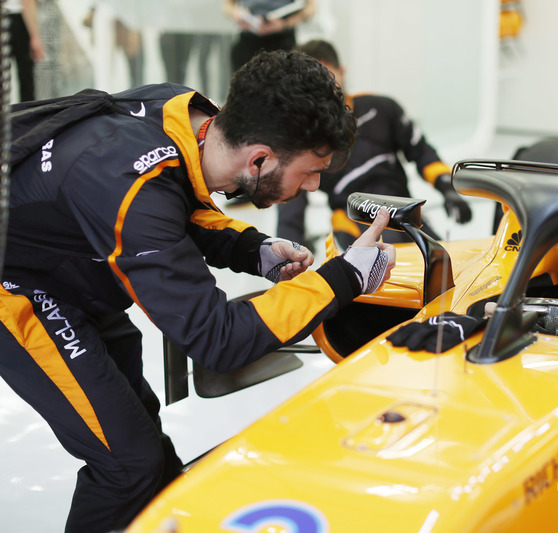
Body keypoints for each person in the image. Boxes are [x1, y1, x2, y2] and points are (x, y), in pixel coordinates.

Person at [0, 49, 395, 533]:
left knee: (144, 438)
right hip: (18, 288)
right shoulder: (129, 185)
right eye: (311, 170)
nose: (314, 186)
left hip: (73, 264)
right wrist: (343, 279)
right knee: (127, 465)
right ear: (260, 158)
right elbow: (216, 339)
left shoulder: (186, 113)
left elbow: (177, 201)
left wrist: (255, 248)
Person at [276, 39, 472, 248]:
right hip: (352, 214)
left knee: (443, 262)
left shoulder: (381, 108)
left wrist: (447, 187)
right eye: (310, 84)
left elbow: (421, 151)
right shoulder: (300, 138)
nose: (321, 90)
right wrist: (291, 254)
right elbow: (291, 208)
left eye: (327, 78)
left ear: (341, 71)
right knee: (386, 266)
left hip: (402, 206)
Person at [223, 0, 316, 72]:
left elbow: (310, 8)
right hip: (249, 41)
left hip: (283, 43)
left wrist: (286, 23)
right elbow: (228, 6)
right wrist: (238, 14)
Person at [5, 0, 45, 102]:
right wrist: (35, 36)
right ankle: (28, 114)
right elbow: (27, 2)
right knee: (26, 78)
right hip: (17, 21)